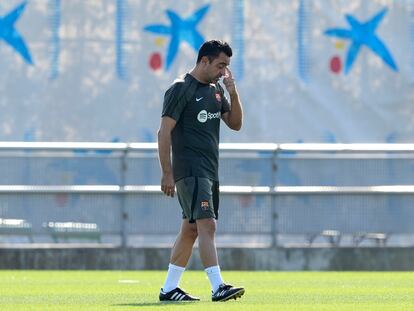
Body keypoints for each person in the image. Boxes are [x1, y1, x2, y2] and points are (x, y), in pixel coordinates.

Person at [157, 40, 244, 302]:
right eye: (220, 65)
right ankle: (218, 286)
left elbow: (236, 124)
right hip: (190, 170)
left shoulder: (217, 90)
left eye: (227, 66)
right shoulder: (181, 88)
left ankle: (169, 289)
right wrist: (167, 173)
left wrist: (233, 92)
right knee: (208, 224)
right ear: (204, 60)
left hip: (208, 171)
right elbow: (164, 132)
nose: (224, 71)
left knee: (191, 229)